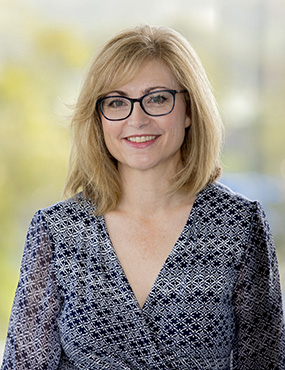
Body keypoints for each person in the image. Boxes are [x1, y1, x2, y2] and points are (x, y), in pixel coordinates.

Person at [1, 24, 284, 370]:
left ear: (190, 110)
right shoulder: (57, 232)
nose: (137, 118)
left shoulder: (239, 227)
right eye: (117, 102)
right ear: (99, 118)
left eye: (158, 98)